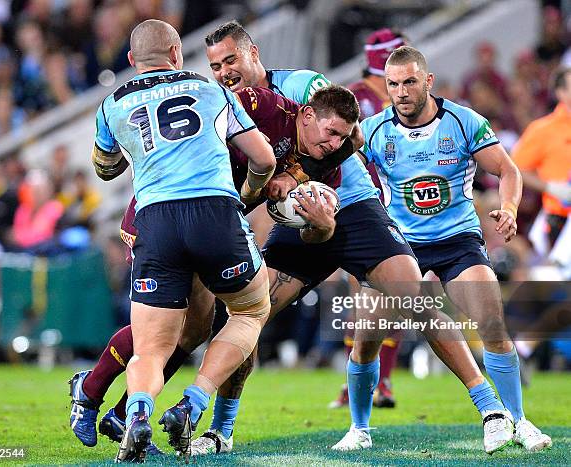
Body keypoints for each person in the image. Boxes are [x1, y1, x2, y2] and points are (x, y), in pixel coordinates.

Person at [74, 21, 511, 458]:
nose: (224, 71)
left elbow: (347, 134)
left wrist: (298, 186)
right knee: (233, 318)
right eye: (215, 65)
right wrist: (267, 199)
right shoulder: (227, 101)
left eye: (231, 60)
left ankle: (490, 409)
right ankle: (214, 427)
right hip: (272, 218)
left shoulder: (301, 88)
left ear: (253, 54)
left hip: (352, 207)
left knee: (411, 295)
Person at [70, 42, 361, 452]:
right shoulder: (260, 105)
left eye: (342, 138)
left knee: (189, 330)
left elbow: (319, 231)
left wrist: (321, 222)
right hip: (169, 216)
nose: (333, 144)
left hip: (201, 221)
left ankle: (126, 413)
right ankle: (91, 392)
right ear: (307, 115)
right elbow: (252, 154)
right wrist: (255, 189)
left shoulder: (326, 163)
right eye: (330, 133)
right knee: (170, 330)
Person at [345, 45, 551, 453]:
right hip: (398, 245)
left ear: (428, 81)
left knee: (491, 321)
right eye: (392, 84)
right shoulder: (372, 130)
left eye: (408, 82)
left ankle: (518, 420)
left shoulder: (462, 121)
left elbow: (507, 169)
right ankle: (359, 429)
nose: (400, 92)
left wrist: (508, 207)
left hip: (457, 241)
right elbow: (336, 167)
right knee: (366, 336)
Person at [90, 19, 277, 462]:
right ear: (177, 52)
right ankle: (193, 402)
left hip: (155, 221)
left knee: (152, 347)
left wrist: (138, 151)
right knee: (251, 308)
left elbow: (104, 167)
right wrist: (248, 193)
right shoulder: (210, 89)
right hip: (214, 212)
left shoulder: (112, 103)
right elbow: (264, 158)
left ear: (133, 61)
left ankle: (136, 415)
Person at [330, 27, 407, 410]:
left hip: (400, 204)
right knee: (360, 294)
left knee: (394, 297)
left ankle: (383, 379)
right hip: (362, 206)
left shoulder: (404, 101)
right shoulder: (354, 99)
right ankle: (358, 384)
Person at [512, 66, 571, 248]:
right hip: (563, 217)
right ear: (561, 93)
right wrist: (551, 187)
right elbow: (514, 168)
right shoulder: (543, 129)